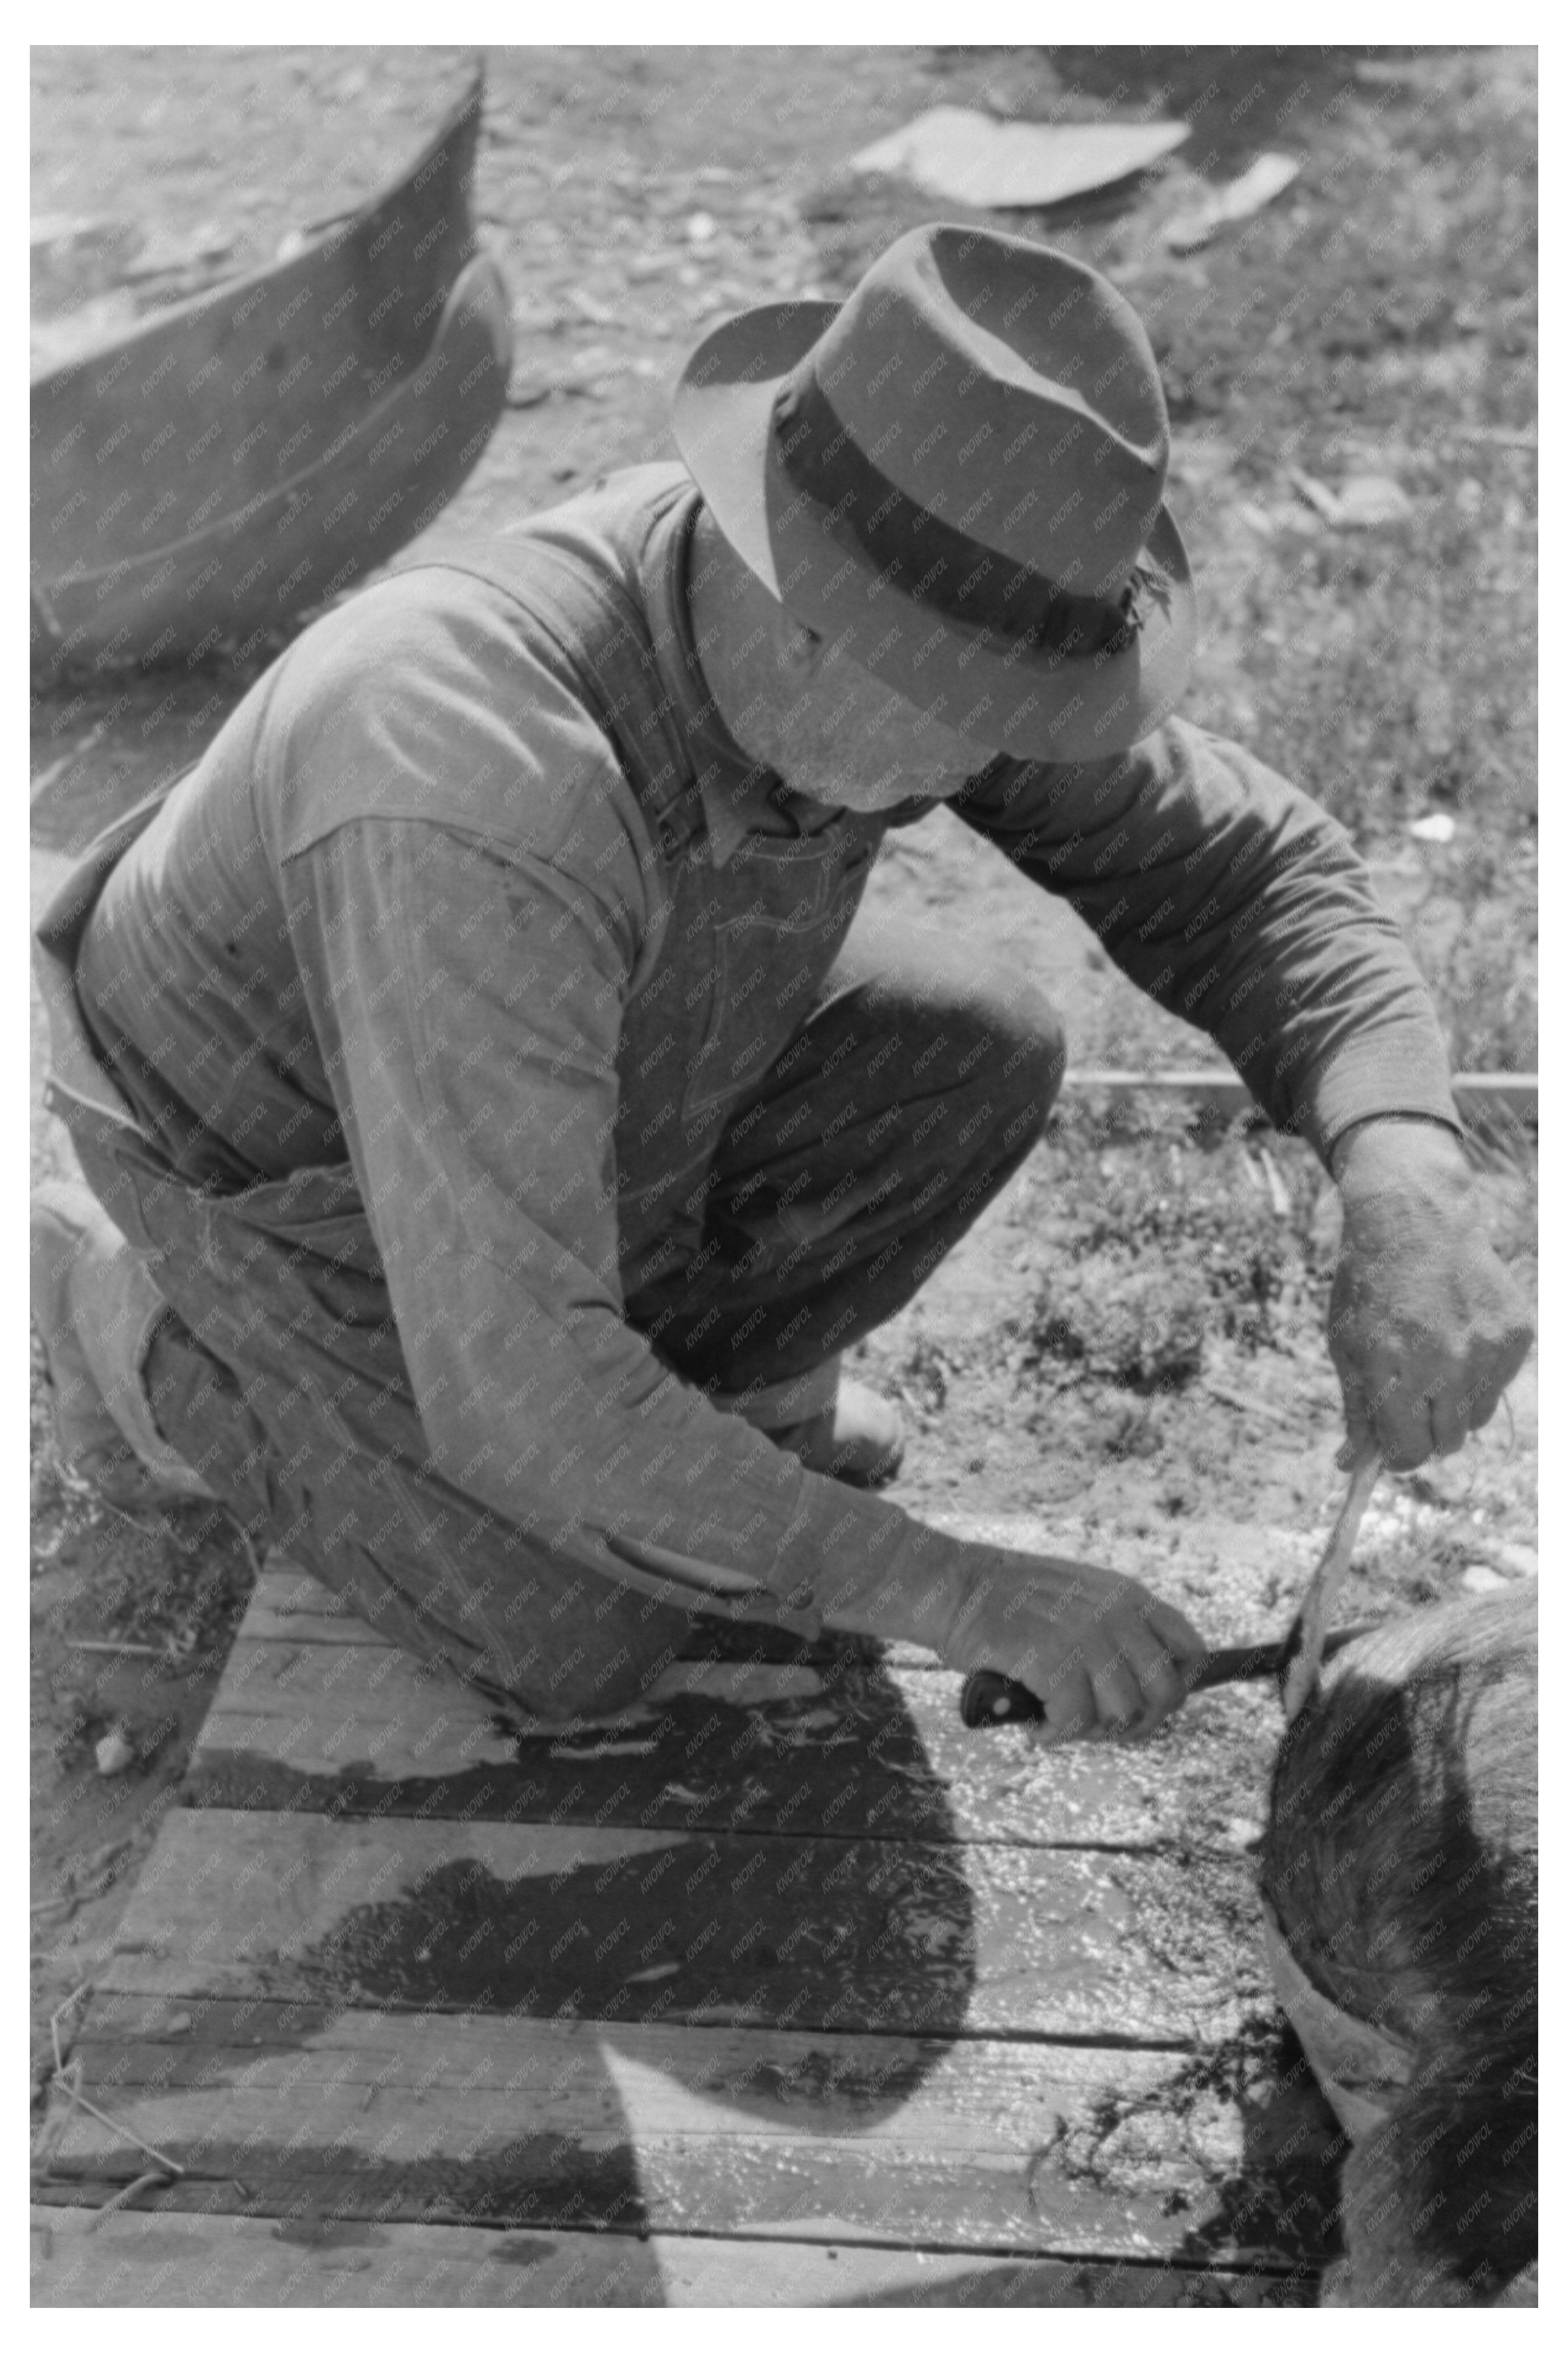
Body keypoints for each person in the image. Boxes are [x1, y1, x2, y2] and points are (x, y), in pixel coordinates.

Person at [32, 223, 1533, 1745]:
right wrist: (958, 1589)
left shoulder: (917, 580)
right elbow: (521, 1393)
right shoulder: (466, 774)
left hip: (551, 1033)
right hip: (288, 1168)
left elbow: (1253, 873)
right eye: (982, 712)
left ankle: (700, 1432)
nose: (1004, 753)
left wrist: (1405, 1176)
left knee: (971, 1047)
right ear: (812, 612)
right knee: (574, 1634)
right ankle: (130, 1319)